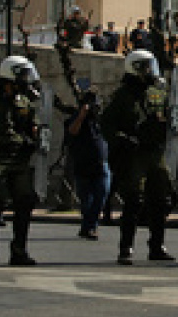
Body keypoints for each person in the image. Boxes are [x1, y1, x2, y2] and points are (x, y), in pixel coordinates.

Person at [101, 50, 176, 265]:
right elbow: (106, 125)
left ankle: (157, 245)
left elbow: (168, 114)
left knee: (162, 199)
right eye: (145, 67)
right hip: (134, 154)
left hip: (155, 151)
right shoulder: (122, 96)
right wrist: (123, 139)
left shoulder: (158, 92)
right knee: (134, 200)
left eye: (150, 66)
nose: (150, 71)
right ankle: (126, 247)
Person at [0, 56, 44, 266]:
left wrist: (35, 134)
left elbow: (33, 123)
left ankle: (19, 250)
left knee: (25, 200)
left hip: (19, 156)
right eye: (22, 74)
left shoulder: (24, 99)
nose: (26, 79)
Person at [65, 89, 110, 241]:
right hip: (83, 165)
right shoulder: (76, 118)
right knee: (86, 200)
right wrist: (81, 115)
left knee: (101, 195)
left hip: (101, 163)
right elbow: (72, 131)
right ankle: (89, 227)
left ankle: (90, 225)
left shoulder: (101, 120)